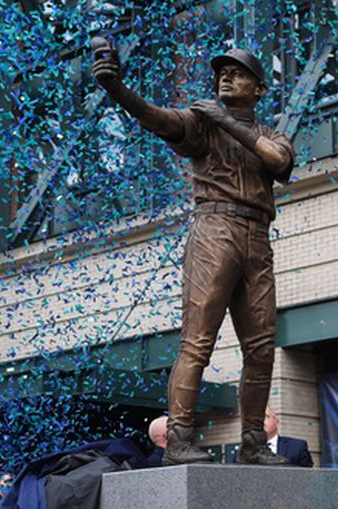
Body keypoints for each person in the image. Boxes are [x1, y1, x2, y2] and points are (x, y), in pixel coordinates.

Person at [92, 42, 294, 466]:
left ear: (258, 89)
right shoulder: (202, 124)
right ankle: (179, 438)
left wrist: (226, 121)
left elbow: (277, 161)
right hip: (215, 229)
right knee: (198, 341)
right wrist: (117, 89)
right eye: (221, 71)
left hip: (257, 235)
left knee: (261, 348)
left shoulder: (269, 133)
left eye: (237, 73)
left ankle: (254, 443)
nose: (224, 76)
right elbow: (154, 118)